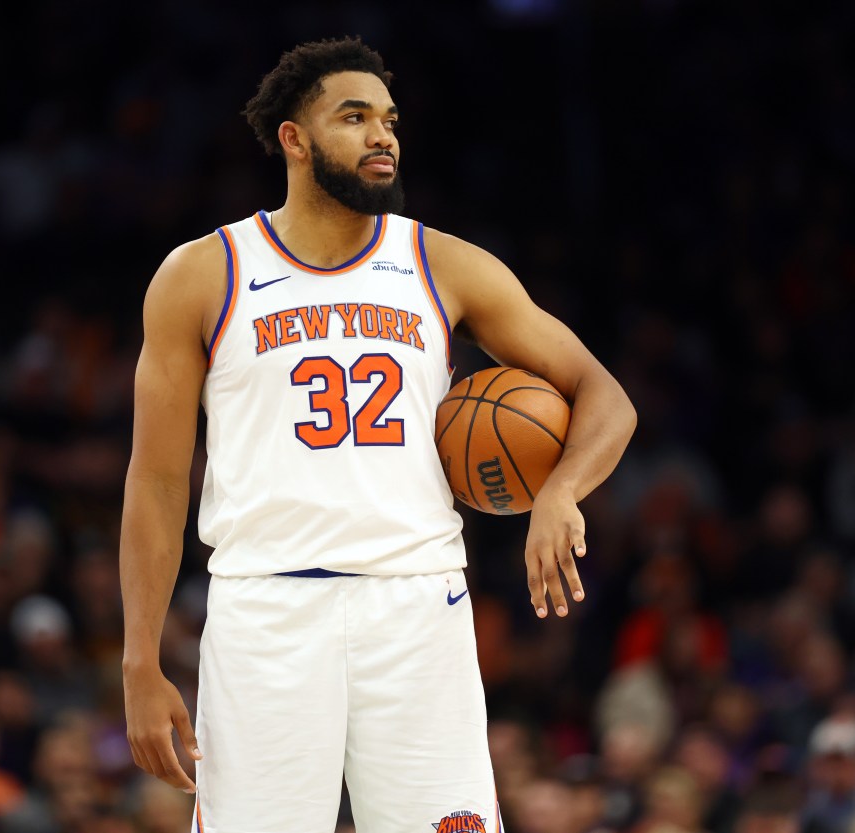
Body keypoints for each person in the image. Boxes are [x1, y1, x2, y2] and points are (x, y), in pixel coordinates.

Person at [119, 37, 636, 833]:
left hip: (417, 600)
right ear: (293, 138)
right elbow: (155, 481)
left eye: (389, 119)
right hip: (266, 608)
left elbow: (604, 394)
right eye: (353, 117)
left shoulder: (442, 264)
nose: (382, 135)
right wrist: (140, 661)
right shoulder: (203, 273)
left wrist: (561, 488)